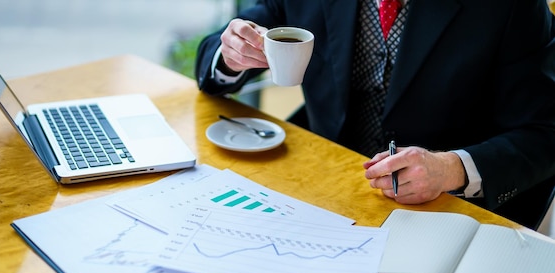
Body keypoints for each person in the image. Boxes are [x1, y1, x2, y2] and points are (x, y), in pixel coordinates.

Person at [194, 0, 555, 229]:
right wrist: (231, 54)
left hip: (441, 213)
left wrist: (452, 168)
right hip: (320, 189)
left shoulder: (511, 7)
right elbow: (241, 34)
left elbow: (545, 131)